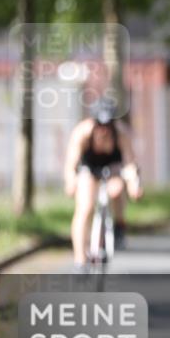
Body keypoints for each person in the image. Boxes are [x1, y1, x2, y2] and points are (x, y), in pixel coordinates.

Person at [63, 101, 142, 268]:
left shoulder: (121, 134)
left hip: (113, 168)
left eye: (108, 125)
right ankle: (79, 258)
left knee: (116, 190)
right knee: (85, 207)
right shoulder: (83, 132)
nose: (104, 130)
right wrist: (70, 181)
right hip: (89, 169)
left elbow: (130, 164)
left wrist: (133, 185)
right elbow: (71, 162)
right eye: (100, 125)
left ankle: (119, 224)